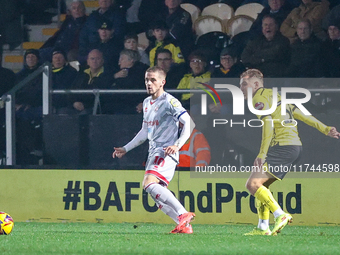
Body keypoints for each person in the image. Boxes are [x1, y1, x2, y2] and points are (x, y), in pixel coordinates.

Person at [239, 69, 340, 236]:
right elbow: (302, 114)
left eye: (244, 84)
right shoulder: (276, 96)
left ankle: (280, 214)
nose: (241, 88)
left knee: (252, 185)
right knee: (261, 187)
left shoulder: (258, 98)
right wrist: (325, 129)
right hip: (294, 146)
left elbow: (268, 124)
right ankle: (263, 227)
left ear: (256, 85)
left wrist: (262, 153)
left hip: (282, 145)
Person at [112, 66, 196, 234]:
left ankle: (183, 214)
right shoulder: (146, 102)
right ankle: (184, 226)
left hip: (166, 151)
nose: (148, 83)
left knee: (149, 183)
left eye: (153, 80)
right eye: (146, 80)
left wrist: (177, 145)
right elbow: (145, 131)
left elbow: (189, 123)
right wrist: (126, 148)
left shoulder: (169, 101)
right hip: (153, 151)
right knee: (157, 196)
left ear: (162, 82)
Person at [63, 49, 113, 114]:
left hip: (96, 108)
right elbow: (72, 91)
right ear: (88, 61)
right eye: (92, 59)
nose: (94, 61)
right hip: (77, 106)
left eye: (97, 58)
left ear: (102, 61)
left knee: (84, 115)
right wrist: (74, 102)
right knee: (63, 113)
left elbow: (102, 97)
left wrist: (85, 105)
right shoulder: (81, 74)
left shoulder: (108, 75)